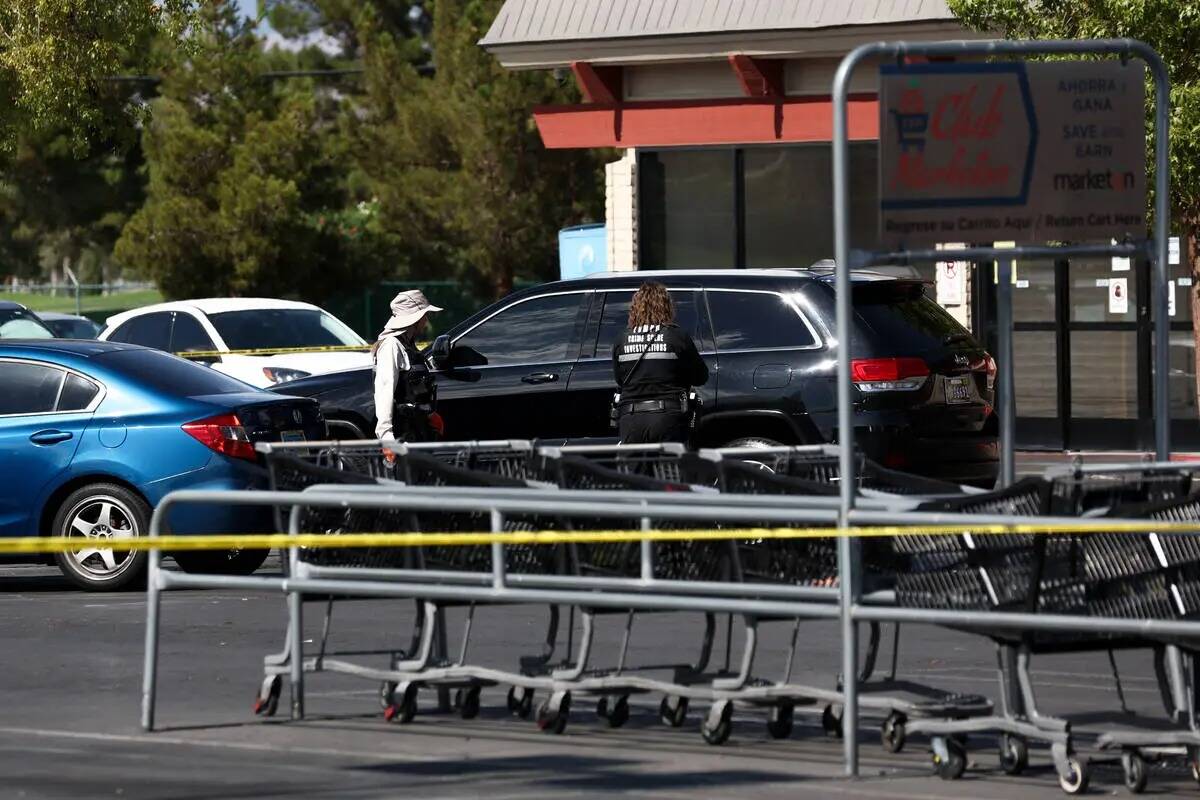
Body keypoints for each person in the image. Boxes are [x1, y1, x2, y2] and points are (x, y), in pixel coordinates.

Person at [612, 281, 708, 444]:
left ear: (635, 308)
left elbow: (619, 380)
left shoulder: (622, 339)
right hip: (668, 419)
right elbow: (701, 377)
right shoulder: (676, 336)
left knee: (634, 470)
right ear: (666, 307)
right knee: (668, 469)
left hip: (631, 420)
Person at [373, 290, 443, 462]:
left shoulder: (408, 346)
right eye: (424, 315)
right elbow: (384, 391)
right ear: (415, 318)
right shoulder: (391, 346)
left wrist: (429, 415)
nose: (426, 320)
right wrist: (386, 437)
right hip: (402, 434)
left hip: (418, 430)